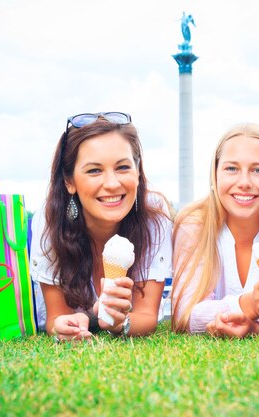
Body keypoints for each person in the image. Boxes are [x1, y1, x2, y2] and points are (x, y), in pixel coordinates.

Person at [30, 112, 172, 341]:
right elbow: (57, 317)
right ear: (69, 181)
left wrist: (119, 323)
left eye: (123, 167)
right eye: (94, 170)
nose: (112, 183)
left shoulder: (154, 218)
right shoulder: (50, 219)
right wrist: (66, 326)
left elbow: (147, 315)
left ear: (137, 172)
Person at [171, 123, 259, 337]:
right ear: (215, 175)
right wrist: (248, 305)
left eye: (258, 170)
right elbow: (185, 313)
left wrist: (257, 327)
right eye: (231, 168)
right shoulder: (193, 224)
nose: (244, 182)